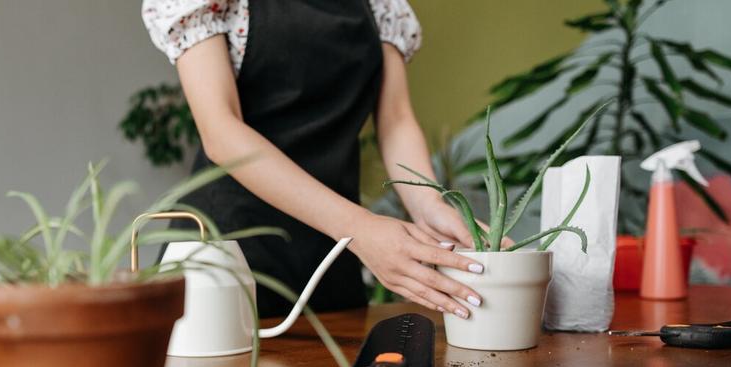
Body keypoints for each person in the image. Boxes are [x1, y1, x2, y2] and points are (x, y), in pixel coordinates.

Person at [142, 0, 490, 318]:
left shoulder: (381, 6)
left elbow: (396, 120)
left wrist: (430, 203)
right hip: (227, 255)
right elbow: (221, 132)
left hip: (331, 257)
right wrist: (358, 228)